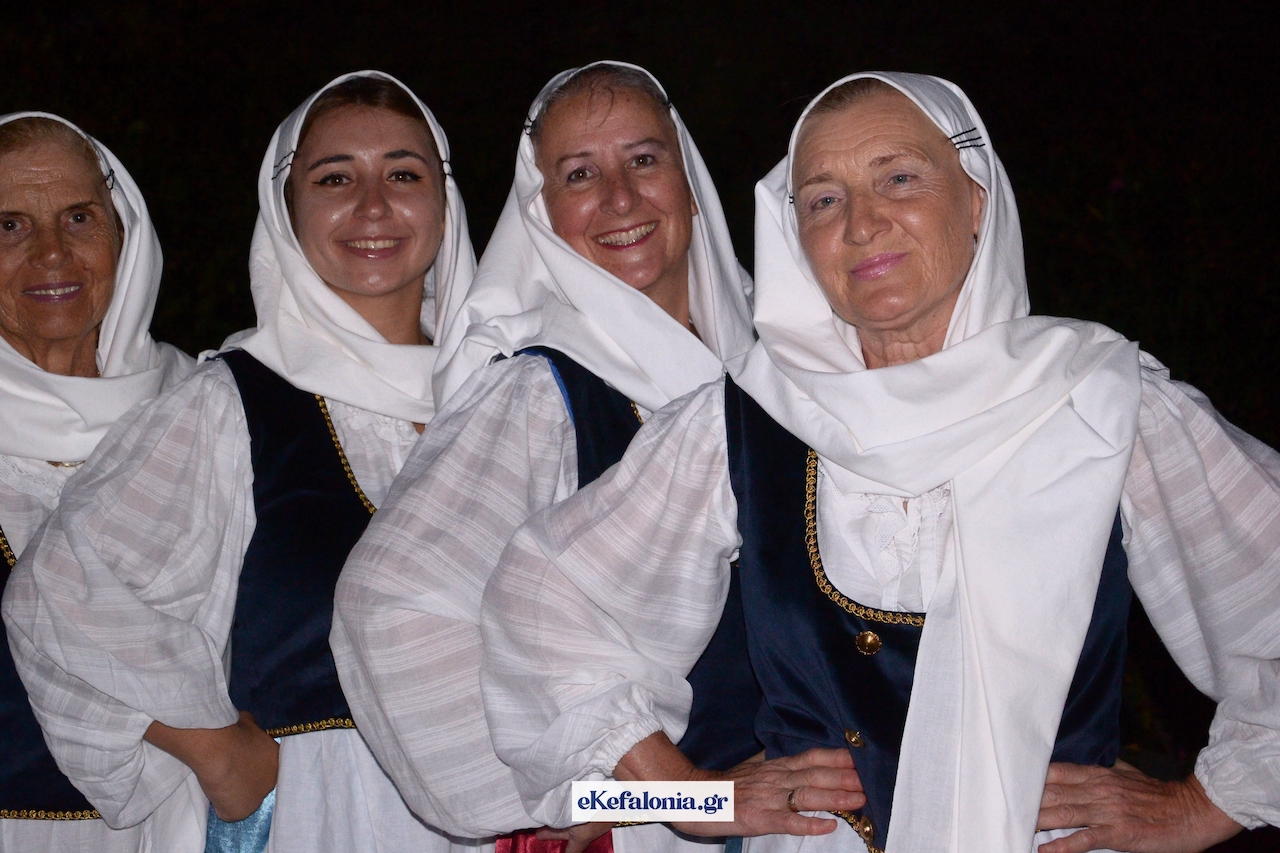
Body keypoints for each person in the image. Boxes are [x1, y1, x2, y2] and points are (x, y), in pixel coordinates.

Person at [478, 72, 1280, 853]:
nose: (862, 224)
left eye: (898, 178)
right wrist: (688, 797)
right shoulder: (747, 420)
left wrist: (1202, 807)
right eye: (824, 199)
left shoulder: (1099, 401)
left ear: (975, 199)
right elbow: (546, 609)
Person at [331, 61, 862, 853]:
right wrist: (650, 790)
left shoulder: (780, 361)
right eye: (580, 174)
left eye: (644, 159)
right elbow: (391, 609)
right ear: (542, 212)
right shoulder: (537, 391)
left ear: (688, 181)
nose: (619, 196)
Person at [3, 71, 477, 853]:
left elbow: (618, 691)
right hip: (324, 821)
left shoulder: (513, 397)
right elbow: (60, 591)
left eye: (403, 174)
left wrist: (619, 794)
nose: (373, 206)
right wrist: (226, 759)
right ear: (285, 208)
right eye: (334, 178)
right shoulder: (234, 404)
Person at [0, 112, 198, 852]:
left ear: (125, 233)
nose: (51, 252)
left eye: (79, 217)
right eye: (10, 226)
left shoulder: (206, 411)